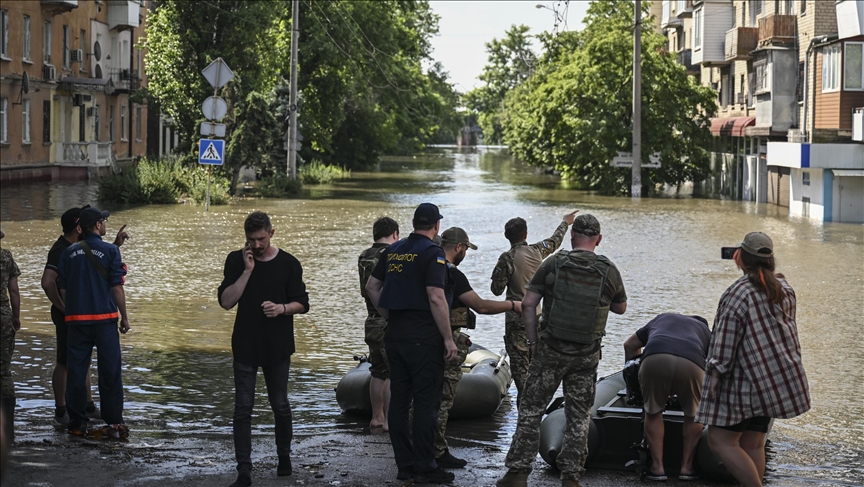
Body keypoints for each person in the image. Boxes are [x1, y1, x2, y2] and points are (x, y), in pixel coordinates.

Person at [497, 214, 627, 487]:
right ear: (599, 239)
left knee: (531, 410)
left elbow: (529, 304)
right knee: (579, 415)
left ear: (572, 236)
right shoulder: (609, 270)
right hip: (586, 355)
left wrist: (533, 341)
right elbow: (620, 307)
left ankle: (518, 473)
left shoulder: (554, 263)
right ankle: (571, 477)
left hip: (549, 351)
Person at [696, 232, 810, 487]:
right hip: (773, 380)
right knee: (753, 442)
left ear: (741, 259)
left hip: (744, 383)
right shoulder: (784, 289)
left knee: (719, 441)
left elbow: (725, 339)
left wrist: (714, 373)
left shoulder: (740, 293)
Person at [365, 203, 459, 485]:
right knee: (426, 403)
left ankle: (404, 465)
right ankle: (426, 466)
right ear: (436, 226)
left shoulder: (395, 249)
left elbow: (372, 287)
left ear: (414, 223)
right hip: (423, 338)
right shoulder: (432, 253)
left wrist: (390, 315)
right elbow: (436, 296)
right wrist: (448, 338)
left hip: (395, 335)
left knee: (400, 400)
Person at [218, 211, 310, 487]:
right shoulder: (237, 260)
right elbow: (225, 302)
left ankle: (284, 456)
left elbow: (302, 304)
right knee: (242, 408)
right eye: (250, 240)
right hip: (245, 343)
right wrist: (247, 271)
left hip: (278, 344)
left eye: (260, 239)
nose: (256, 246)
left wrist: (282, 308)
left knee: (280, 404)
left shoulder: (289, 263)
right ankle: (244, 471)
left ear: (272, 232)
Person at [433, 227, 522, 469]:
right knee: (442, 398)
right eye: (465, 250)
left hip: (422, 339)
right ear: (459, 248)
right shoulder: (453, 274)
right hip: (444, 341)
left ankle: (415, 446)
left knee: (420, 395)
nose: (465, 255)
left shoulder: (427, 266)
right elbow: (481, 306)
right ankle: (437, 452)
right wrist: (512, 305)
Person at [41, 206, 129, 425]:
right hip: (104, 320)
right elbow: (117, 287)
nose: (106, 223)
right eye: (104, 221)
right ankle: (113, 423)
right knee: (109, 372)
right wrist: (125, 317)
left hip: (77, 321)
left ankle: (77, 423)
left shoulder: (69, 252)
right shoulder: (110, 252)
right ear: (97, 225)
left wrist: (69, 311)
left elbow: (63, 286)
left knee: (77, 372)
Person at [490, 211, 577, 407]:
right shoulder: (538, 250)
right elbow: (555, 240)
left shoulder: (507, 258)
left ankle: (524, 421)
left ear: (506, 236)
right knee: (536, 373)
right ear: (526, 234)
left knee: (522, 377)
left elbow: (496, 290)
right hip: (538, 322)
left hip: (517, 323)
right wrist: (565, 222)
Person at [623, 313, 711, 481]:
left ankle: (657, 469)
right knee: (694, 415)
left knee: (653, 411)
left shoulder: (661, 318)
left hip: (655, 358)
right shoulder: (705, 331)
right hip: (691, 363)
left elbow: (629, 345)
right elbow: (714, 361)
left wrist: (632, 380)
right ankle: (686, 468)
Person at [357, 216, 399, 431]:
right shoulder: (391, 254)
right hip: (387, 319)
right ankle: (390, 421)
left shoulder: (364, 255)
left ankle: (376, 417)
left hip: (370, 319)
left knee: (377, 370)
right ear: (395, 234)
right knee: (394, 372)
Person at [0, 229, 21, 444]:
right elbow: (14, 291)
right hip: (3, 317)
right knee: (4, 371)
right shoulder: (6, 257)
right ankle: (8, 432)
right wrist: (16, 317)